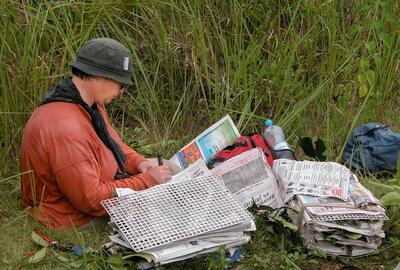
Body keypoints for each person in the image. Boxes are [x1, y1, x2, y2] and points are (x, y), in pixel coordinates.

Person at [20, 38, 173, 230]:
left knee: (170, 168)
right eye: (120, 84)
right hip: (71, 217)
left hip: (102, 181)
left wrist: (139, 163)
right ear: (99, 76)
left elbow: (111, 145)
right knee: (164, 201)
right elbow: (91, 200)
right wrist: (148, 181)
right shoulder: (65, 128)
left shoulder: (87, 103)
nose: (122, 91)